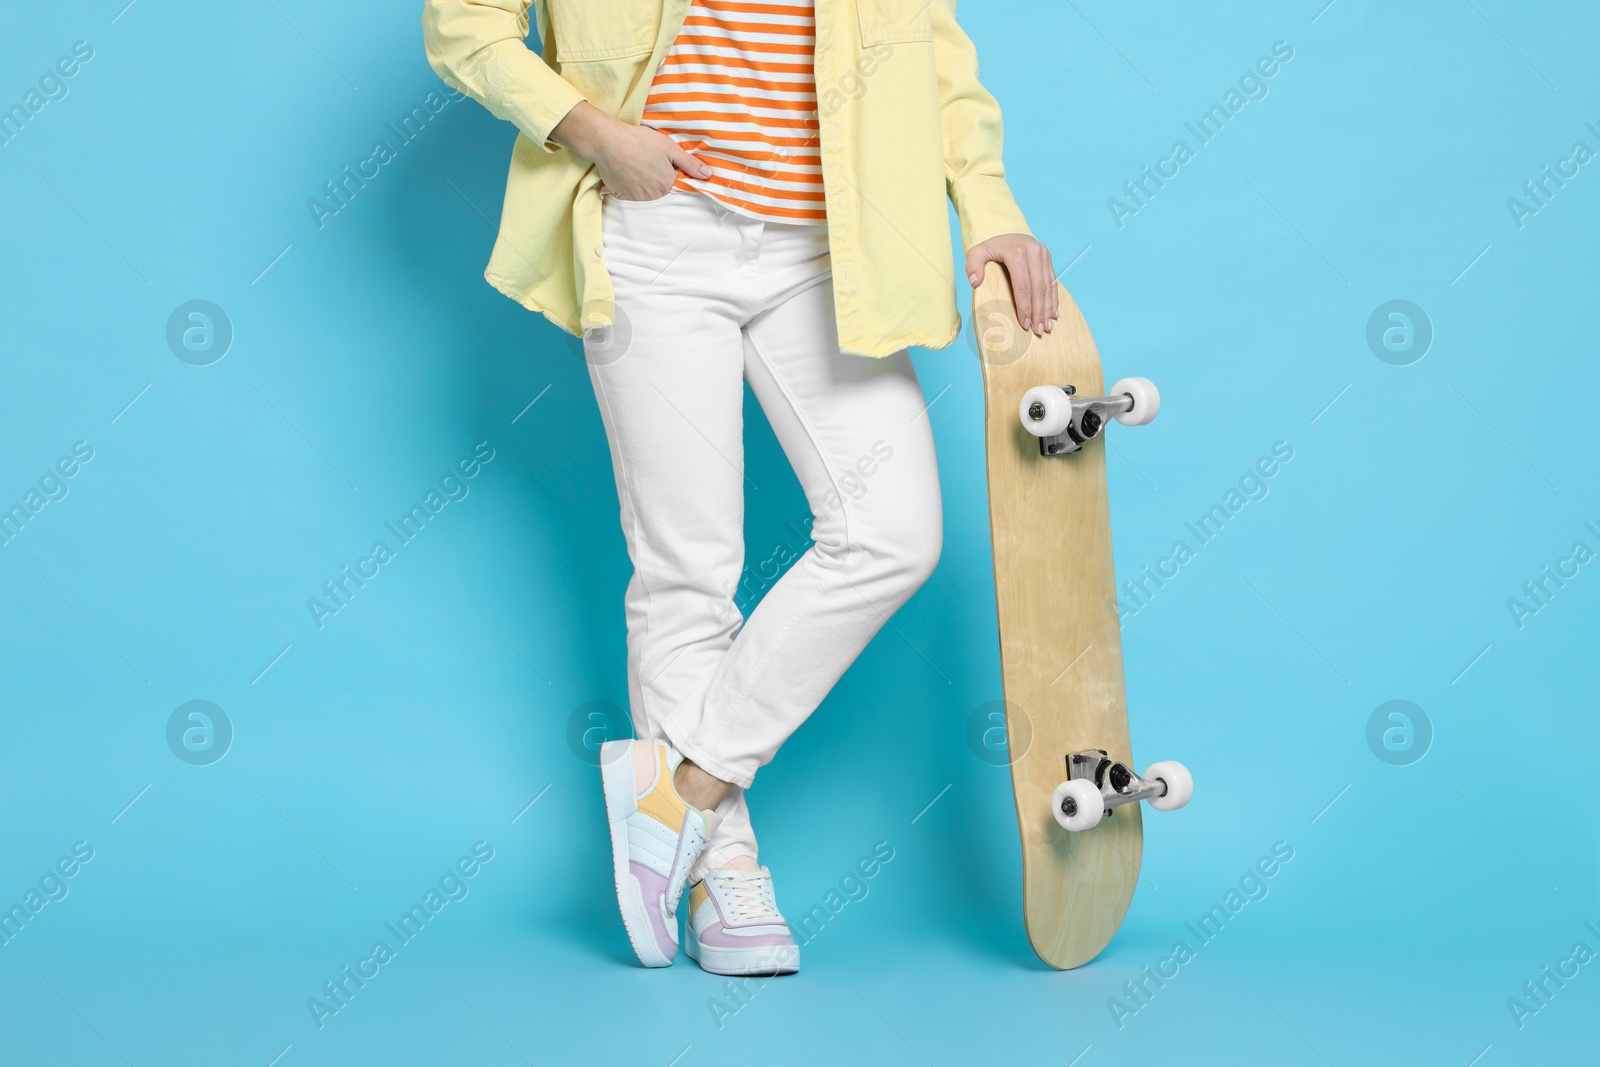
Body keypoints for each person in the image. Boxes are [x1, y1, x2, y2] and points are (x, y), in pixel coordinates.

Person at [423, 0, 1057, 976]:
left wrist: (994, 205)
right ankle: (722, 870)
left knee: (891, 533)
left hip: (829, 248)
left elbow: (932, 46)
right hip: (656, 231)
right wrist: (597, 137)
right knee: (687, 569)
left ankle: (682, 788)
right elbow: (463, 26)